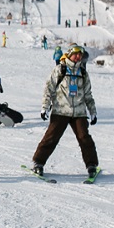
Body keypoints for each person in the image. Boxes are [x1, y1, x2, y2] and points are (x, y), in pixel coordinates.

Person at [30, 45, 99, 181]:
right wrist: (45, 107)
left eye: (80, 55)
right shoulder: (60, 69)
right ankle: (38, 162)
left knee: (84, 138)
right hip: (61, 110)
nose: (78, 57)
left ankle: (91, 165)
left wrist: (93, 112)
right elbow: (48, 88)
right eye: (76, 54)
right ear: (69, 55)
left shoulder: (83, 73)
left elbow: (88, 95)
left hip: (79, 112)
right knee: (51, 137)